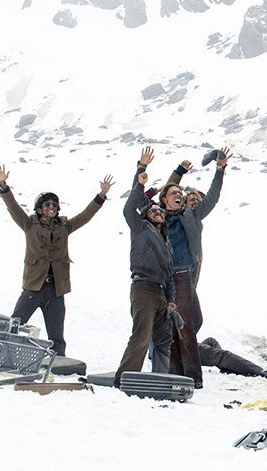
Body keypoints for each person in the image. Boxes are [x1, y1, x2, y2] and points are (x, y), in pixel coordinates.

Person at [0, 164, 114, 356]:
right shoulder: (29, 224)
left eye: (55, 204)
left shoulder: (64, 225)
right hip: (34, 286)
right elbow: (13, 207)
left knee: (56, 334)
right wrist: (3, 185)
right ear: (39, 209)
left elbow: (85, 216)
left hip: (56, 289)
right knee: (15, 324)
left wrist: (101, 196)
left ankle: (58, 364)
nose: (52, 207)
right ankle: (1, 355)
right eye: (47, 204)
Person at [158, 146, 231, 387]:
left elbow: (211, 197)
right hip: (166, 276)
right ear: (165, 200)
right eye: (174, 193)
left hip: (184, 275)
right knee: (181, 325)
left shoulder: (190, 214)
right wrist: (177, 173)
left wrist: (220, 170)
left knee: (190, 323)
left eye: (181, 193)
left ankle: (183, 372)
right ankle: (185, 374)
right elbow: (157, 194)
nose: (178, 195)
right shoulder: (156, 216)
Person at [115, 146, 177, 386]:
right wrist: (141, 174)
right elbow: (129, 207)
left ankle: (160, 378)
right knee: (141, 335)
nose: (157, 211)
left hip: (160, 291)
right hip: (143, 288)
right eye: (152, 210)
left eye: (159, 210)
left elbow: (169, 274)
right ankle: (124, 378)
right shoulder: (140, 229)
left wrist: (171, 298)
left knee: (163, 338)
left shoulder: (165, 241)